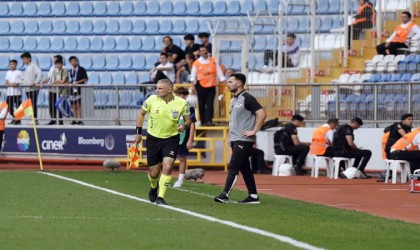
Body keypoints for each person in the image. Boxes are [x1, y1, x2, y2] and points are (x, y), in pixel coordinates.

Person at [134, 79, 191, 205]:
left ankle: (161, 196)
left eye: (160, 88)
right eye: (157, 88)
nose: (157, 90)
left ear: (169, 89)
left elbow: (188, 120)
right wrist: (138, 132)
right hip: (153, 138)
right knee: (154, 173)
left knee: (168, 166)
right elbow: (141, 114)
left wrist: (184, 126)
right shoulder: (151, 100)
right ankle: (154, 186)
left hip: (171, 138)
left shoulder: (182, 103)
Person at [214, 73, 266, 204]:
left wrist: (254, 130)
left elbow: (262, 113)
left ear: (239, 83)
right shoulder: (234, 99)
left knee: (234, 165)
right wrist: (229, 136)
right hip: (235, 139)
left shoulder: (247, 98)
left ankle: (225, 194)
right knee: (245, 168)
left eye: (230, 81)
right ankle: (253, 196)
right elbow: (233, 121)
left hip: (244, 140)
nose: (227, 84)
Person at [189, 45, 226, 126]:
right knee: (201, 103)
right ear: (199, 52)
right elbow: (193, 75)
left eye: (205, 50)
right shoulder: (196, 63)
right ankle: (203, 121)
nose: (204, 52)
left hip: (212, 85)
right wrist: (193, 86)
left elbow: (218, 71)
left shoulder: (213, 60)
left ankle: (209, 120)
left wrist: (223, 80)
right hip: (201, 85)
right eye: (202, 51)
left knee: (210, 103)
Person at [173, 87, 197, 188]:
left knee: (182, 158)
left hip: (184, 136)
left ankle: (180, 180)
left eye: (184, 95)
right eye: (180, 95)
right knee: (168, 158)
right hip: (172, 135)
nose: (182, 97)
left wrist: (190, 139)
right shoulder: (172, 107)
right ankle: (165, 177)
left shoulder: (190, 108)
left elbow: (192, 124)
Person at [20, 52, 42, 124]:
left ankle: (34, 119)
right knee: (30, 104)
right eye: (22, 59)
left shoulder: (33, 65)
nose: (23, 61)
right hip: (28, 89)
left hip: (33, 89)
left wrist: (35, 82)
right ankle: (32, 118)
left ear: (29, 58)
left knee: (33, 104)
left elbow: (40, 73)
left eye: (24, 59)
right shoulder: (27, 67)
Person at [69, 56, 88, 125]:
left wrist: (78, 82)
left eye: (74, 61)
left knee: (78, 104)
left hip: (79, 88)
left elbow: (85, 78)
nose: (73, 62)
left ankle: (80, 119)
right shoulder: (70, 70)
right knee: (73, 105)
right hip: (72, 89)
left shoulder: (81, 69)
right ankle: (75, 119)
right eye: (71, 61)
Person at [50, 58, 70, 125]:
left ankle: (67, 116)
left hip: (65, 91)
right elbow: (55, 82)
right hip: (60, 91)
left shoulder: (65, 71)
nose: (58, 65)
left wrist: (57, 82)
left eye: (59, 64)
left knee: (58, 104)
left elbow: (63, 81)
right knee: (63, 105)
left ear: (62, 64)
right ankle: (69, 115)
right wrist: (57, 82)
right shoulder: (56, 72)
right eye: (56, 64)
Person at [5, 59, 22, 125]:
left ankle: (18, 120)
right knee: (8, 107)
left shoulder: (19, 72)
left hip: (17, 93)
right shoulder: (8, 72)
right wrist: (10, 83)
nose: (11, 65)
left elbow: (22, 81)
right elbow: (6, 81)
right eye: (10, 64)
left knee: (18, 107)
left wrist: (16, 84)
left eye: (13, 64)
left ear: (16, 65)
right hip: (9, 93)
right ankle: (15, 117)